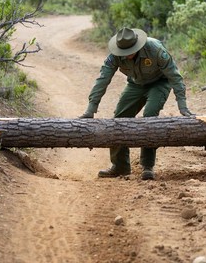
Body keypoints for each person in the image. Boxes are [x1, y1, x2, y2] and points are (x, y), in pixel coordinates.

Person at [79, 27, 193, 180]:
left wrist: (183, 107)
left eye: (130, 52)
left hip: (159, 83)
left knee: (149, 117)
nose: (126, 56)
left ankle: (147, 166)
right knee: (119, 120)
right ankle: (120, 166)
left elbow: (175, 77)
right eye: (123, 53)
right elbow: (102, 80)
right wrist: (91, 109)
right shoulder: (115, 55)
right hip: (135, 84)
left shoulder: (156, 50)